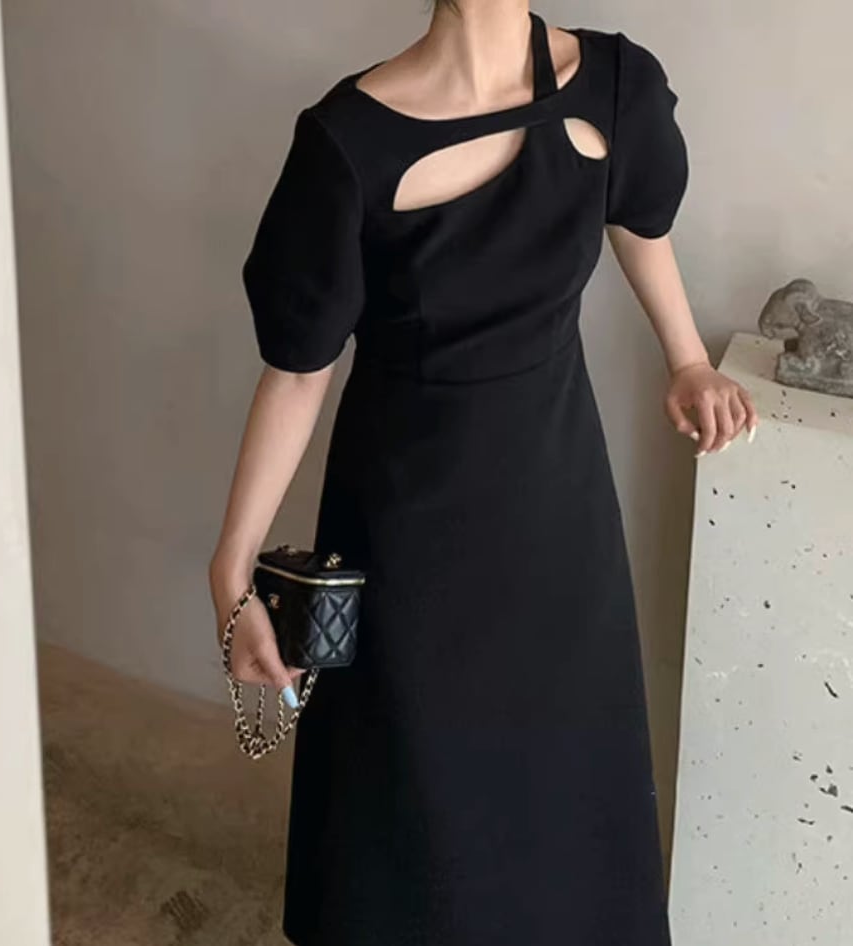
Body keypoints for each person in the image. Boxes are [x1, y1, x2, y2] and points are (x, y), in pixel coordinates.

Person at [209, 3, 759, 944]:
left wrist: (686, 358)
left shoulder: (615, 86)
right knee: (416, 801)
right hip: (406, 527)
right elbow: (299, 372)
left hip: (557, 504)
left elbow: (637, 218)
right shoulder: (347, 143)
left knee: (566, 773)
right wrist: (230, 572)